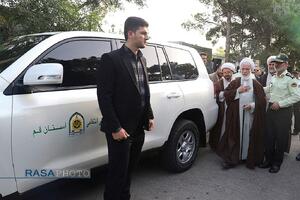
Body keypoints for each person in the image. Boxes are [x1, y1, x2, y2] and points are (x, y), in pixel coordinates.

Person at [97, 16, 154, 200]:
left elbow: (143, 90)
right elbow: (104, 96)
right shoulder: (111, 59)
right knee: (117, 173)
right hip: (120, 129)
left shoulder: (142, 59)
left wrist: (149, 115)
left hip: (139, 127)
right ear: (130, 33)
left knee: (129, 171)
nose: (147, 36)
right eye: (143, 33)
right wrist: (115, 127)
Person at [217, 58, 266, 169]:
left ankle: (246, 157)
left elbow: (262, 100)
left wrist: (252, 106)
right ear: (240, 69)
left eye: (247, 69)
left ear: (251, 70)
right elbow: (226, 94)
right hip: (237, 115)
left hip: (250, 115)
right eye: (243, 69)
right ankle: (234, 158)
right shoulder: (236, 81)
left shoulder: (255, 83)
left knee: (248, 135)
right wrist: (237, 91)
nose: (244, 71)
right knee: (234, 135)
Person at [260, 53, 300, 173]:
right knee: (269, 137)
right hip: (271, 109)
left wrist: (281, 104)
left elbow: (297, 96)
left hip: (283, 112)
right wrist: (257, 88)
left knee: (280, 139)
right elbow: (270, 89)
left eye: (279, 63)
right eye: (275, 63)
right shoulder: (274, 77)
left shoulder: (291, 79)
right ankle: (268, 161)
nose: (276, 65)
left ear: (286, 64)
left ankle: (277, 163)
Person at [209, 62, 236, 151]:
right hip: (223, 108)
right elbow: (218, 95)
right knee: (221, 126)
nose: (226, 74)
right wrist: (226, 94)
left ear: (232, 72)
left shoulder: (236, 81)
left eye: (228, 72)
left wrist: (225, 94)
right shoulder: (219, 82)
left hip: (234, 108)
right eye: (224, 73)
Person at [291, 71, 300, 136]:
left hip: (298, 101)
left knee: (297, 116)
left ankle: (296, 130)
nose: (295, 75)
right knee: (295, 116)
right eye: (294, 74)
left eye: (296, 74)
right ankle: (295, 130)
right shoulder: (291, 81)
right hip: (293, 101)